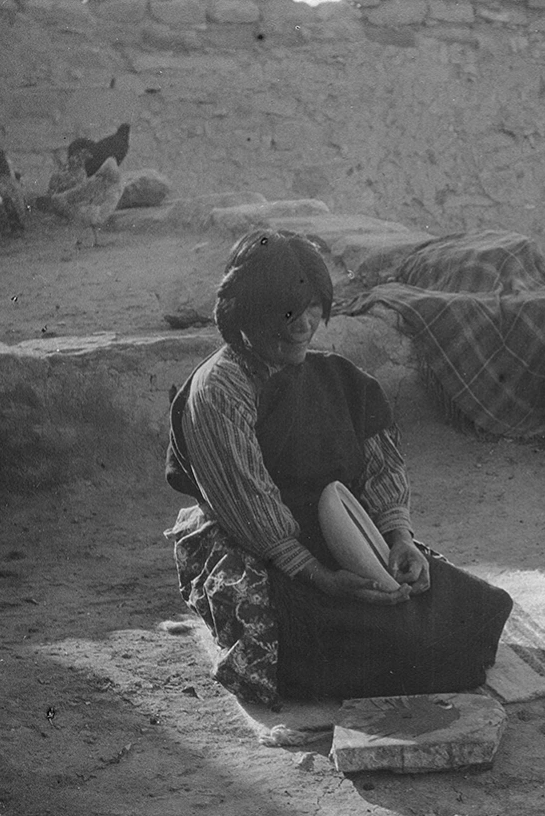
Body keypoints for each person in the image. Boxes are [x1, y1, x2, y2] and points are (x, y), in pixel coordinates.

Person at [164, 228, 513, 708]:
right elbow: (249, 506)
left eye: (312, 311)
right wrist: (320, 577)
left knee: (470, 609)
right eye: (287, 313)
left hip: (340, 533)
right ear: (245, 312)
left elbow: (379, 471)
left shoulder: (338, 379)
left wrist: (398, 538)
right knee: (368, 645)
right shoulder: (220, 391)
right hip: (261, 546)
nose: (303, 326)